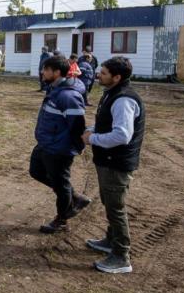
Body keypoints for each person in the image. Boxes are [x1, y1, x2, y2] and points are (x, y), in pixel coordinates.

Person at [82, 57, 145, 274]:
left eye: (104, 72)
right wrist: (93, 129)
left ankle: (121, 256)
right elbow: (107, 123)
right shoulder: (112, 93)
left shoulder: (123, 100)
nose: (99, 74)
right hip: (108, 161)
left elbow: (122, 135)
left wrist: (92, 139)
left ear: (117, 77)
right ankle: (111, 240)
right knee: (111, 204)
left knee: (116, 208)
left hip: (116, 163)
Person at [29, 55, 91, 234]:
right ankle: (75, 196)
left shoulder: (68, 95)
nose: (42, 72)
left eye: (46, 69)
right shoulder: (54, 89)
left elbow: (77, 125)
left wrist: (77, 147)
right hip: (46, 143)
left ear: (57, 72)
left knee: (61, 182)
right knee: (36, 171)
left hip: (59, 148)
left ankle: (62, 219)